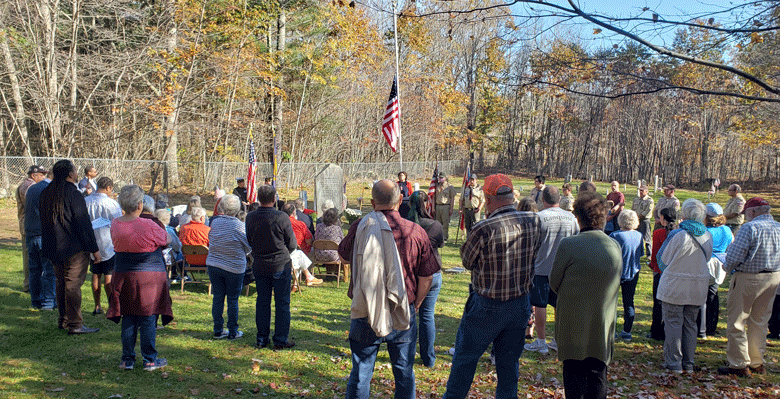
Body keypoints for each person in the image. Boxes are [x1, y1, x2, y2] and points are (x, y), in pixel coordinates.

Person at [338, 180, 438, 399]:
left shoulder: (360, 226)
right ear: (400, 200)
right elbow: (427, 276)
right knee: (403, 372)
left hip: (366, 306)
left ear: (373, 203)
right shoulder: (415, 231)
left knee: (362, 372)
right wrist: (417, 304)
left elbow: (343, 256)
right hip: (403, 307)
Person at [444, 174, 540, 399]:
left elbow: (467, 261)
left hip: (487, 305)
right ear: (512, 195)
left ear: (487, 199)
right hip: (519, 303)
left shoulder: (483, 228)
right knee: (509, 365)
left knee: (465, 360)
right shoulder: (535, 221)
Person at [550, 191, 622, 399]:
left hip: (573, 324)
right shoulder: (614, 246)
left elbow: (554, 283)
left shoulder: (569, 245)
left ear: (578, 218)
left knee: (574, 378)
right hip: (601, 324)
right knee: (598, 376)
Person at [107, 185, 172, 371]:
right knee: (148, 316)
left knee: (128, 315)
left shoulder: (115, 224)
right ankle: (150, 359)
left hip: (123, 275)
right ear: (139, 205)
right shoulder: (149, 225)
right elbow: (166, 240)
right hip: (148, 276)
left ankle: (127, 359)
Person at [718, 197, 780, 377]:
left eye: (746, 213)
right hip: (773, 277)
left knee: (737, 321)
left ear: (752, 212)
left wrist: (726, 266)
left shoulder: (749, 228)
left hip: (748, 277)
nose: (745, 216)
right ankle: (756, 361)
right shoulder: (778, 227)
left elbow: (735, 255)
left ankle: (738, 364)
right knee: (760, 321)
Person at [39, 159, 101, 334]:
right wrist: (94, 249)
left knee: (61, 282)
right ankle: (75, 324)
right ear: (69, 173)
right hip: (73, 247)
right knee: (72, 284)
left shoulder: (46, 192)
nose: (76, 172)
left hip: (53, 245)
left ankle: (64, 319)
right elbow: (83, 223)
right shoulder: (73, 194)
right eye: (74, 170)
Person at [656, 199, 713, 373]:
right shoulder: (707, 235)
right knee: (690, 324)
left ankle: (674, 363)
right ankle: (688, 363)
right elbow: (708, 258)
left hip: (675, 285)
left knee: (673, 323)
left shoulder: (678, 235)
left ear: (684, 215)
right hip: (697, 285)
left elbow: (663, 260)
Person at [524, 186, 579, 355]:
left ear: (543, 200)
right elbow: (577, 240)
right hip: (563, 268)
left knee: (540, 304)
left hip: (542, 267)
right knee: (560, 305)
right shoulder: (571, 218)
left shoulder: (538, 218)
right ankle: (557, 339)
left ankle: (541, 341)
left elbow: (530, 244)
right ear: (559, 199)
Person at [246, 184, 297, 350]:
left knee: (263, 302)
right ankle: (280, 339)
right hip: (278, 264)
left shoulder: (251, 217)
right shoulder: (281, 217)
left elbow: (250, 240)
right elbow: (292, 243)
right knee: (281, 303)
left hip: (262, 263)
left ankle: (262, 338)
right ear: (274, 199)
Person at [407, 190, 444, 368]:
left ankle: (406, 354)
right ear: (427, 204)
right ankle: (428, 358)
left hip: (413, 273)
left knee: (410, 315)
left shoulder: (406, 226)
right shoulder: (435, 225)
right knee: (427, 316)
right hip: (433, 272)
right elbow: (440, 244)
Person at [207, 194, 251, 340]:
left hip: (214, 264)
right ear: (237, 209)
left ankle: (218, 329)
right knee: (232, 299)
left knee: (218, 297)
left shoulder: (214, 222)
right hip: (233, 266)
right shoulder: (239, 225)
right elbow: (249, 247)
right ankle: (232, 331)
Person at [84, 177, 122, 316]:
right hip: (108, 242)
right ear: (108, 188)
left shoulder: (86, 201)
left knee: (95, 274)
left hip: (91, 242)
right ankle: (111, 305)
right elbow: (118, 222)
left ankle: (97, 305)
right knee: (109, 275)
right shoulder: (111, 203)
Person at [609, 209, 644, 341]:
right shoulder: (639, 235)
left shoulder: (615, 235)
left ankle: (611, 331)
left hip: (616, 273)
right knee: (629, 302)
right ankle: (627, 331)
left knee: (611, 303)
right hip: (633, 271)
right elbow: (640, 253)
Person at [699, 203, 731, 338]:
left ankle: (702, 326)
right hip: (720, 263)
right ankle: (712, 326)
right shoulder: (727, 230)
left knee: (702, 296)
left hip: (707, 262)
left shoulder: (705, 231)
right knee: (713, 294)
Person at [646, 207, 678, 341]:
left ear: (663, 218)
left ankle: (656, 330)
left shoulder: (659, 233)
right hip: (675, 272)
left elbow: (655, 255)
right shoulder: (679, 233)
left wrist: (653, 266)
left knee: (658, 303)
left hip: (660, 271)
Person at [25, 170, 55, 310]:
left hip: (31, 233)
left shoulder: (32, 188)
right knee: (48, 269)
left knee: (34, 269)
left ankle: (35, 299)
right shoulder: (49, 189)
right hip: (44, 234)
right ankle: (48, 301)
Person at [17, 165, 47, 293]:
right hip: (28, 226)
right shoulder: (27, 187)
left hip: (31, 225)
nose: (43, 177)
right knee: (30, 257)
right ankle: (29, 285)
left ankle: (34, 284)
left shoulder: (32, 186)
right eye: (41, 175)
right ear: (33, 175)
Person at [281, 203, 323, 288]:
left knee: (298, 254)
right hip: (295, 251)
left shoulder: (278, 223)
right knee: (302, 253)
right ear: (293, 213)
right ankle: (306, 277)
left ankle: (300, 282)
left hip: (280, 252)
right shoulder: (300, 224)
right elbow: (309, 241)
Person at [433, 172, 457, 242]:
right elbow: (434, 196)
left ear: (445, 178)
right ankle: (438, 236)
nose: (441, 179)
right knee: (438, 223)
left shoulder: (449, 186)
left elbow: (452, 198)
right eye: (440, 178)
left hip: (445, 206)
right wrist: (433, 207)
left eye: (442, 178)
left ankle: (445, 237)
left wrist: (451, 208)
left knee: (445, 223)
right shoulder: (437, 186)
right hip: (438, 206)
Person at [631, 185, 655, 256]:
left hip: (644, 220)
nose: (640, 192)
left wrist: (639, 217)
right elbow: (633, 209)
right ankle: (637, 252)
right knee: (636, 237)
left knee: (647, 238)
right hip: (636, 220)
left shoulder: (649, 200)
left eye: (642, 190)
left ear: (646, 191)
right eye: (639, 190)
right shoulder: (636, 200)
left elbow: (648, 211)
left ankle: (649, 254)